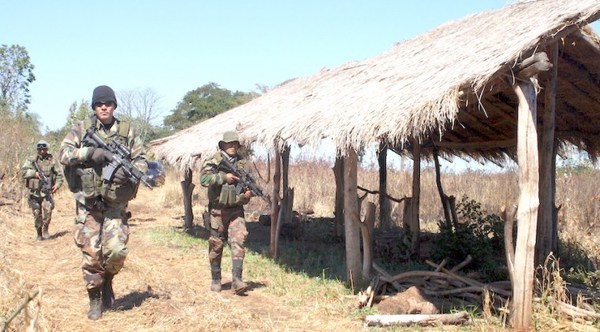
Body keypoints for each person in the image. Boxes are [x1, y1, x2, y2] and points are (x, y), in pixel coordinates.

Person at [59, 85, 148, 320]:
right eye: (99, 104)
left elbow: (141, 160)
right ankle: (95, 299)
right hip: (88, 203)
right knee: (91, 254)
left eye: (108, 103)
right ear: (94, 107)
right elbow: (63, 154)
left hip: (116, 203)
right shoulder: (81, 129)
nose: (104, 107)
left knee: (117, 251)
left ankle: (107, 279)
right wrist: (89, 153)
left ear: (115, 105)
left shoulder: (128, 131)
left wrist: (128, 173)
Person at [200, 131, 254, 294]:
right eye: (229, 144)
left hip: (236, 211)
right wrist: (224, 177)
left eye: (235, 144)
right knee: (216, 246)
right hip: (217, 211)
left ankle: (237, 280)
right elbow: (204, 180)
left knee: (239, 241)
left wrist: (246, 195)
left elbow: (245, 187)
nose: (232, 146)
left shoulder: (242, 164)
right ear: (223, 145)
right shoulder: (213, 160)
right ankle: (216, 279)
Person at [20, 140, 64, 241]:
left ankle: (45, 230)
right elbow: (23, 172)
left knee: (48, 212)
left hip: (47, 192)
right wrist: (33, 173)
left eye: (44, 149)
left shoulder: (52, 160)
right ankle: (39, 233)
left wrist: (57, 185)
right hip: (34, 192)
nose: (42, 151)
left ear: (47, 149)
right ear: (38, 150)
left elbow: (59, 175)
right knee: (36, 213)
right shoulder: (31, 160)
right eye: (40, 149)